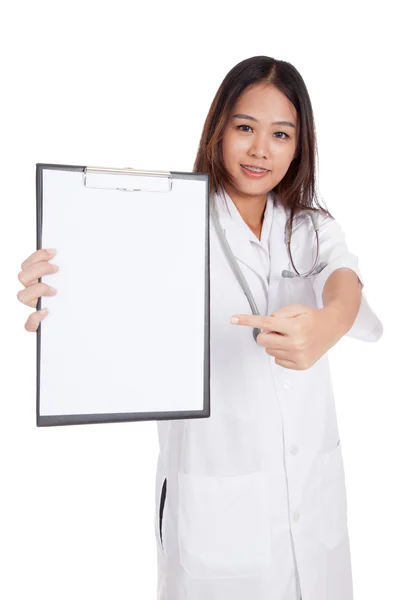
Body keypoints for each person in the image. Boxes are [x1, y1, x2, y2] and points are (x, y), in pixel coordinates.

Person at [17, 56, 383, 600]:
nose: (261, 149)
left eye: (281, 134)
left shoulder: (311, 227)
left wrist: (328, 325)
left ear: (300, 145)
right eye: (244, 128)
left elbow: (345, 281)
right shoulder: (168, 220)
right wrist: (60, 296)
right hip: (217, 507)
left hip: (314, 504)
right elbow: (111, 291)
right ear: (218, 129)